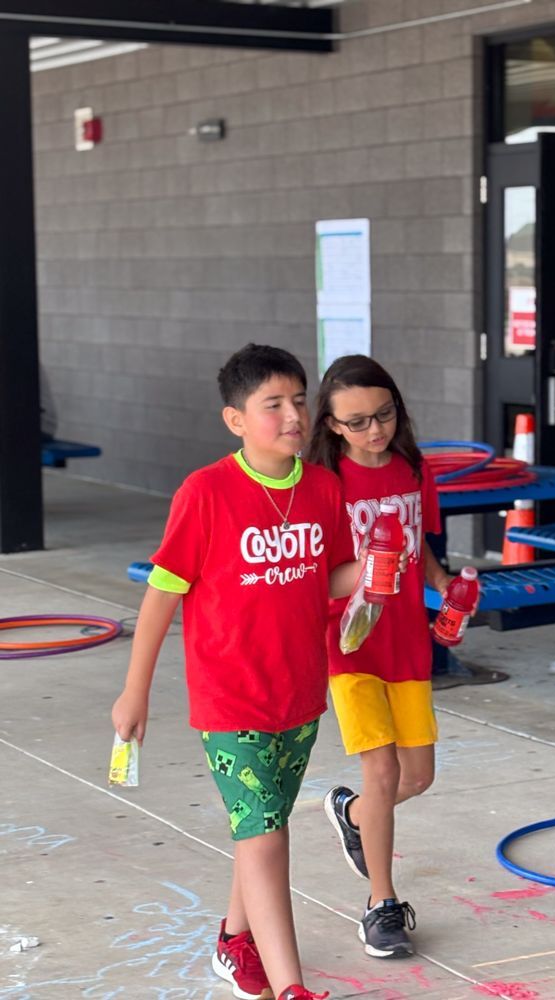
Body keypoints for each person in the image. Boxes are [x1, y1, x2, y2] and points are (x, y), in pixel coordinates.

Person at [111, 343, 364, 1000]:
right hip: (231, 698)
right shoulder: (207, 492)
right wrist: (134, 692)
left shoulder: (323, 488)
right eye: (272, 405)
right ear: (236, 420)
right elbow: (162, 593)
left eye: (300, 401)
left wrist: (370, 570)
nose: (292, 416)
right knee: (266, 834)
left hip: (300, 691)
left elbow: (326, 575)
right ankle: (291, 987)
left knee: (261, 827)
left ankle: (233, 940)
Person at [307, 354, 453, 960]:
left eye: (384, 414)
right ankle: (381, 905)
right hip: (350, 647)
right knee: (385, 772)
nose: (375, 430)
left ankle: (351, 812)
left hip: (408, 645)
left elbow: (421, 546)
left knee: (419, 777)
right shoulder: (323, 483)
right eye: (358, 421)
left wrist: (448, 587)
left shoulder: (414, 468)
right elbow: (311, 570)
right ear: (334, 425)